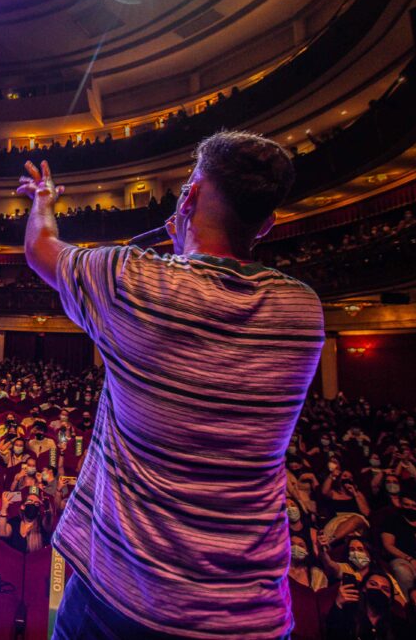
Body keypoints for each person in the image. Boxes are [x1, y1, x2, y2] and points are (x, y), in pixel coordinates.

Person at [18, 131, 324, 638]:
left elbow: (40, 248)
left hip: (121, 599)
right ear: (267, 224)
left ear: (189, 196)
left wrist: (44, 199)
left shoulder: (129, 281)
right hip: (247, 614)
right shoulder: (303, 311)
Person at [325, 572, 410, 639]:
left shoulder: (398, 625)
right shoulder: (348, 614)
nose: (378, 590)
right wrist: (338, 603)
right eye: (373, 584)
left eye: (385, 589)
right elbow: (332, 635)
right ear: (363, 588)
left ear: (390, 597)